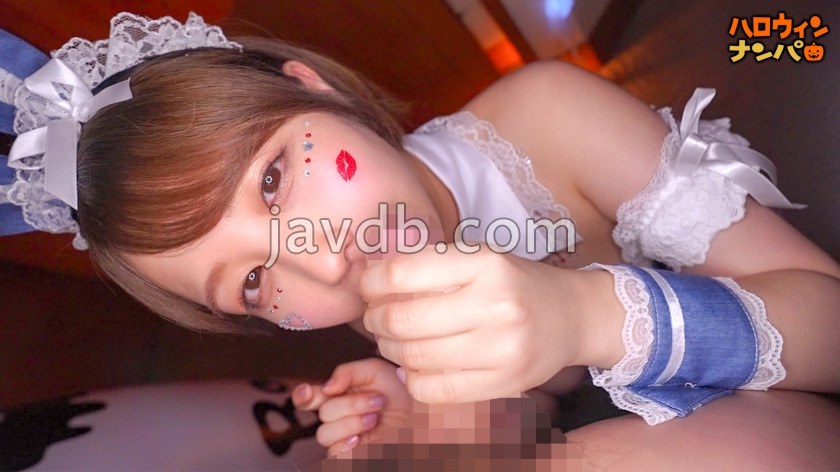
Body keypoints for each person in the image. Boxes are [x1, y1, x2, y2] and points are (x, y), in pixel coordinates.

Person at [3, 12, 839, 468]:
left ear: (314, 88)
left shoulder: (552, 116)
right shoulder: (371, 291)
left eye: (271, 179)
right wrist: (435, 422)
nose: (319, 260)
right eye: (254, 282)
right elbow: (546, 392)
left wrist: (583, 314)